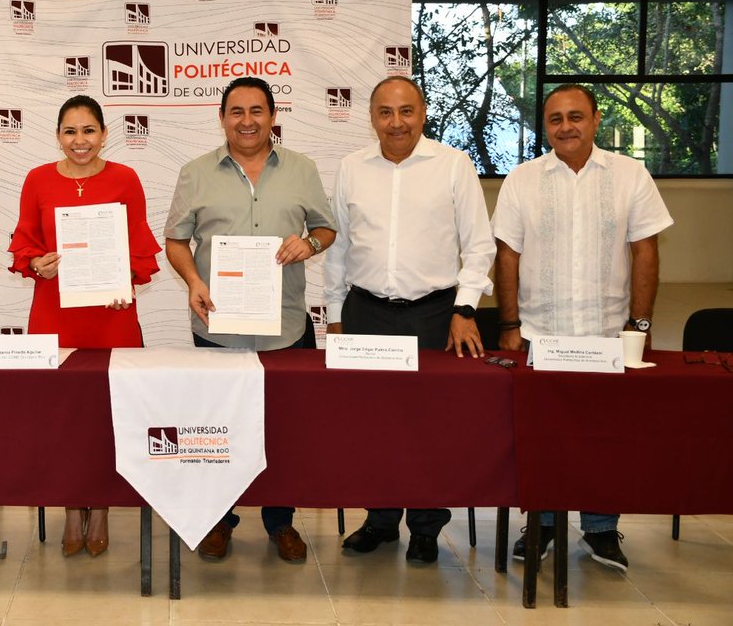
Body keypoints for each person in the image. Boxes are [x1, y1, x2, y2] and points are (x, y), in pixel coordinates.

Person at [493, 83, 673, 572]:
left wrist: (639, 323)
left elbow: (646, 250)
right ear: (544, 126)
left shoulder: (630, 174)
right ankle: (544, 523)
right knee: (540, 434)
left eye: (576, 116)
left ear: (595, 119)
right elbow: (507, 255)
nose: (566, 126)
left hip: (606, 333)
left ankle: (600, 529)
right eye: (555, 119)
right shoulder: (522, 179)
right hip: (539, 333)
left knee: (603, 436)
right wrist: (509, 324)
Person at [323, 76, 494, 565]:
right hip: (365, 312)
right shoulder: (351, 167)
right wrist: (335, 317)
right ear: (371, 116)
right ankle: (379, 521)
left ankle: (425, 526)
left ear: (422, 113)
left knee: (428, 426)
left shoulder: (453, 165)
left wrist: (464, 308)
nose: (395, 122)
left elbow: (478, 244)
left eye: (406, 111)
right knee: (372, 425)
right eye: (384, 112)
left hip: (434, 314)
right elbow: (339, 249)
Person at [164, 76, 336, 564]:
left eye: (256, 110)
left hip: (286, 329)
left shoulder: (302, 170)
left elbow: (325, 227)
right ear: (221, 118)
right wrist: (194, 281)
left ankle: (281, 522)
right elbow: (176, 240)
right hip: (218, 329)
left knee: (283, 431)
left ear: (273, 116)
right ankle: (219, 521)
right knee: (218, 431)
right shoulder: (195, 172)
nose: (246, 121)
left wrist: (311, 244)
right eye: (236, 111)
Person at [8, 94, 161, 559]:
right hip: (55, 315)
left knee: (109, 416)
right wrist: (39, 264)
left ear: (104, 134)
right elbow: (24, 246)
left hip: (111, 316)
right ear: (58, 135)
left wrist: (126, 278)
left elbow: (138, 247)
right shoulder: (37, 179)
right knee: (60, 418)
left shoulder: (126, 178)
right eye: (70, 131)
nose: (80, 141)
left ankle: (103, 507)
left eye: (89, 130)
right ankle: (72, 507)